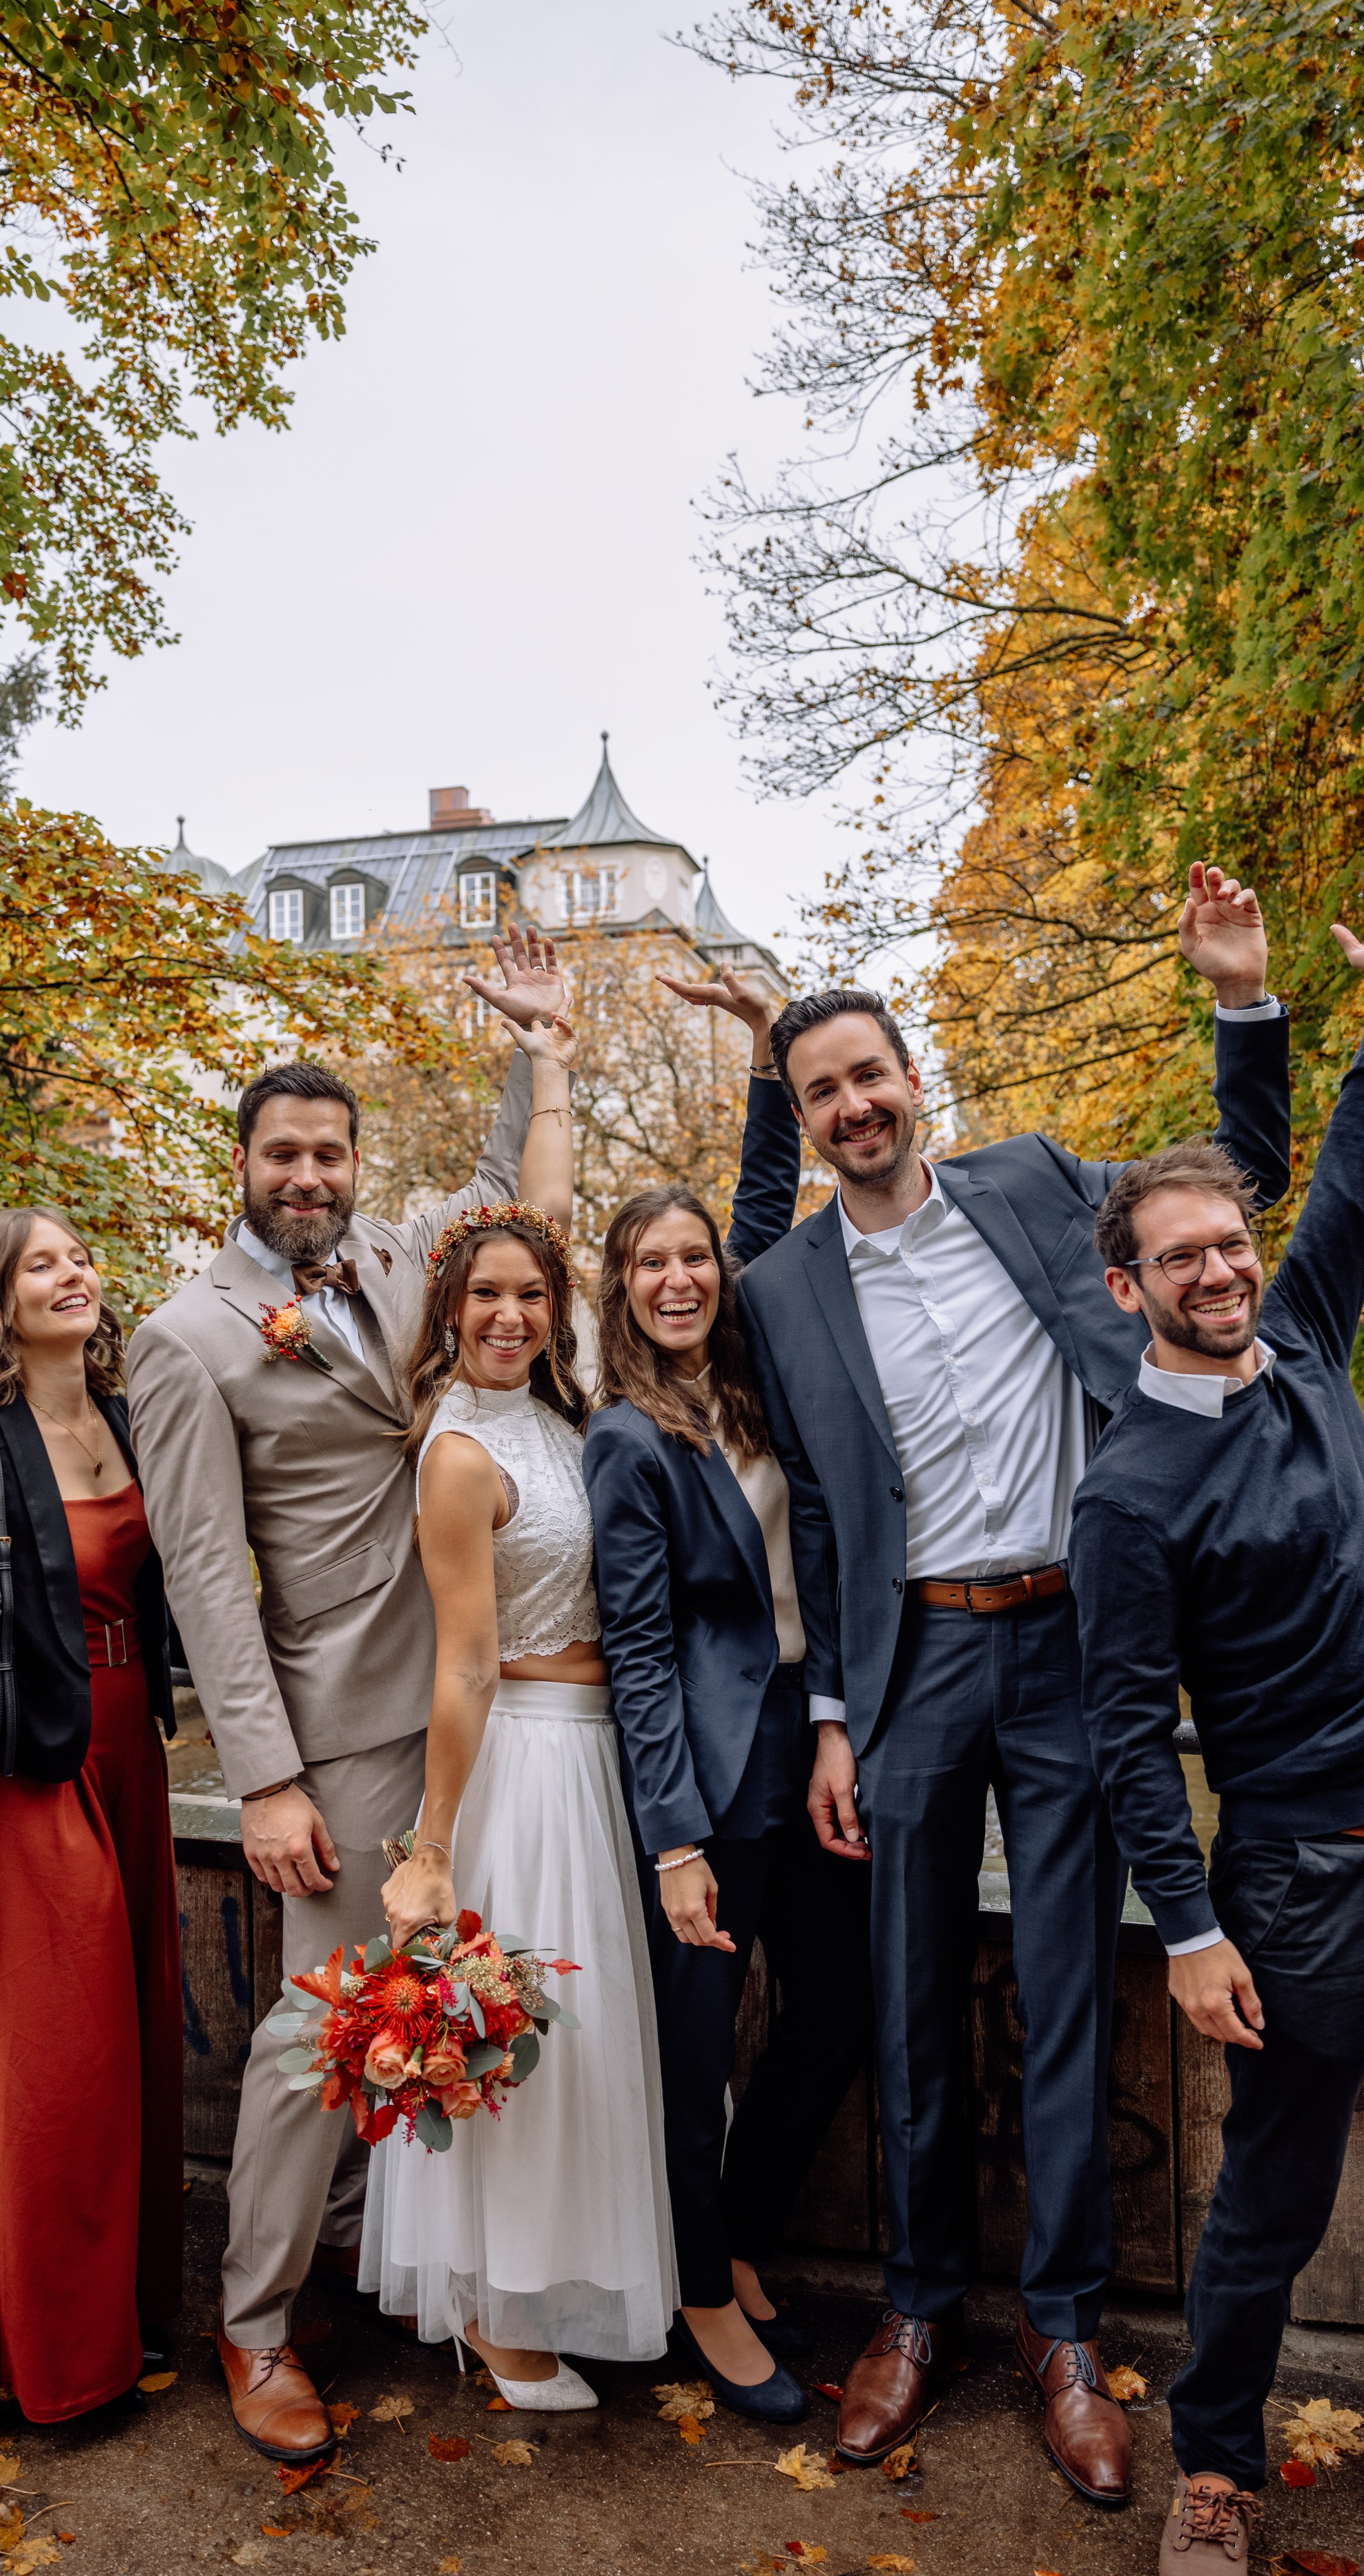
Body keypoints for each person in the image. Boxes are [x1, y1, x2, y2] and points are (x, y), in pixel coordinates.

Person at [734, 867, 1292, 2497]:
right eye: (817, 1090)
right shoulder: (780, 1291)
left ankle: (1057, 2328)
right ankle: (913, 2312)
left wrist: (1238, 998)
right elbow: (823, 1513)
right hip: (909, 1662)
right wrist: (835, 1711)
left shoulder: (1041, 1183)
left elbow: (1227, 1183)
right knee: (907, 2003)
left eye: (866, 1072)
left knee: (1060, 1993)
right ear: (801, 1114)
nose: (851, 1104)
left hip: (1070, 1644)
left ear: (913, 1078)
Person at [1070, 865, 1364, 2570]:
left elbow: (1355, 1170)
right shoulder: (1125, 1493)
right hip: (1306, 1884)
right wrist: (1183, 1925)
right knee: (1271, 2194)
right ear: (1127, 1288)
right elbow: (1121, 1734)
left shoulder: (1305, 1340)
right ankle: (1216, 2467)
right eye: (1182, 1256)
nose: (1222, 1267)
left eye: (1230, 1242)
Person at [127, 927, 568, 2466]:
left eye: (331, 1148)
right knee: (318, 2028)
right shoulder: (183, 1339)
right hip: (351, 1718)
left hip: (507, 1691)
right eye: (283, 1149)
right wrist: (262, 1775)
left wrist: (532, 1039)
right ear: (241, 1161)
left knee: (463, 1991)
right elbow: (196, 1567)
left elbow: (511, 1192)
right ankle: (252, 2329)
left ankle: (415, 2271)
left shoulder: (398, 1260)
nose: (308, 1170)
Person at [360, 1003, 676, 2406]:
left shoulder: (555, 1414)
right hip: (522, 1772)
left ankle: (536, 2285)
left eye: (529, 1295)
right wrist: (430, 1847)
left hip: (593, 1752)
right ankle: (491, 2308)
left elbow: (540, 1210)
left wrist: (551, 1055)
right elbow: (463, 1663)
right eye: (480, 1296)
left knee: (588, 2039)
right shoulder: (458, 1451)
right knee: (533, 2040)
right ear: (447, 1312)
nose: (506, 1312)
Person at [583, 967, 870, 2423]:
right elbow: (634, 1646)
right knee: (693, 2049)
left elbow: (761, 1211)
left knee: (831, 2012)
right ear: (619, 1288)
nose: (683, 1277)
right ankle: (699, 2286)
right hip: (703, 1782)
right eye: (651, 1263)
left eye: (694, 1256)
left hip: (811, 1752)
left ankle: (741, 2225)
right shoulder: (626, 1441)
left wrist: (769, 1061)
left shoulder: (746, 1381)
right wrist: (671, 1837)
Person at [0, 1206, 182, 2425]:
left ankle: (132, 2311)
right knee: (66, 2068)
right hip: (31, 1774)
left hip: (137, 1755)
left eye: (77, 1257)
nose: (70, 1275)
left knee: (141, 2043)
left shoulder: (130, 1421)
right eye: (39, 1264)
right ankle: (60, 2365)